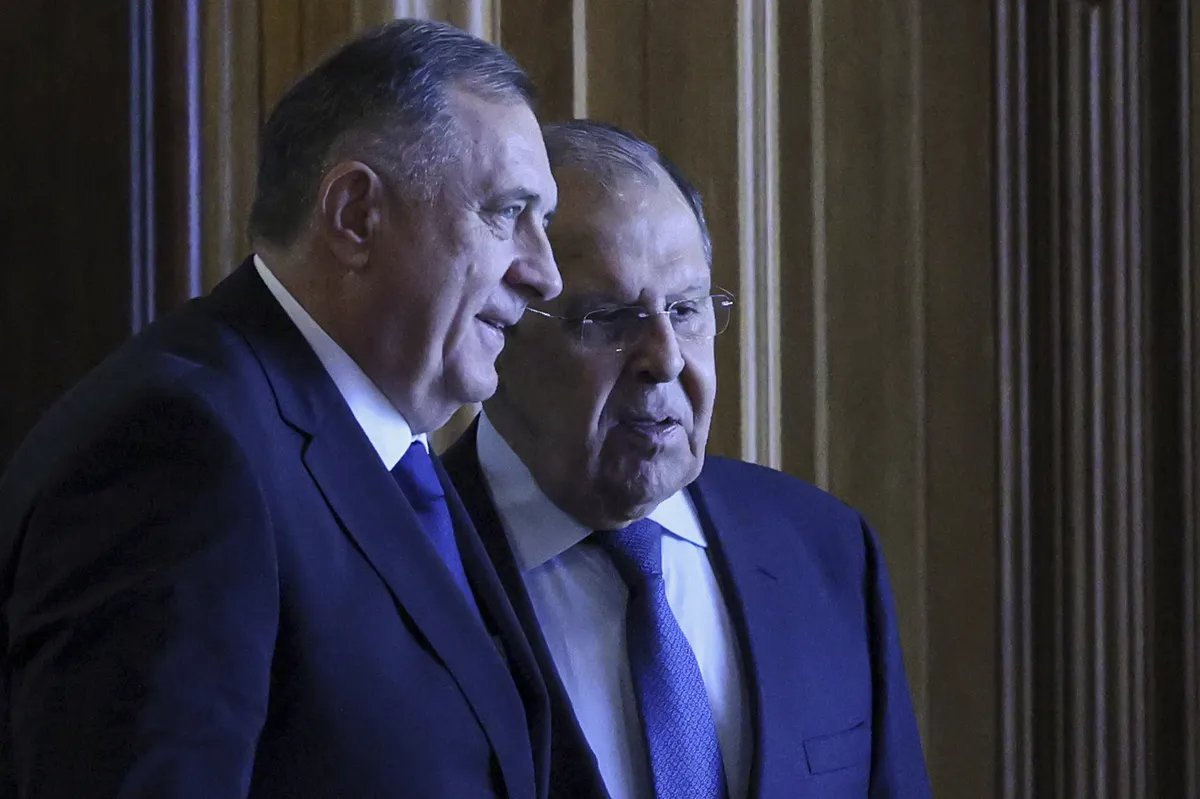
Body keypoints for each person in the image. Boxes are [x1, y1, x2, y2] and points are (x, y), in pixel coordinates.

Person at [0, 19, 562, 799]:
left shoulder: (389, 452)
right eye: (507, 213)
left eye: (545, 223)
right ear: (355, 215)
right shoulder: (180, 448)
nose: (545, 273)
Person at [441, 120, 932, 799]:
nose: (666, 358)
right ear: (498, 327)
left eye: (686, 309)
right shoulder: (394, 562)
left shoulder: (825, 551)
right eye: (609, 318)